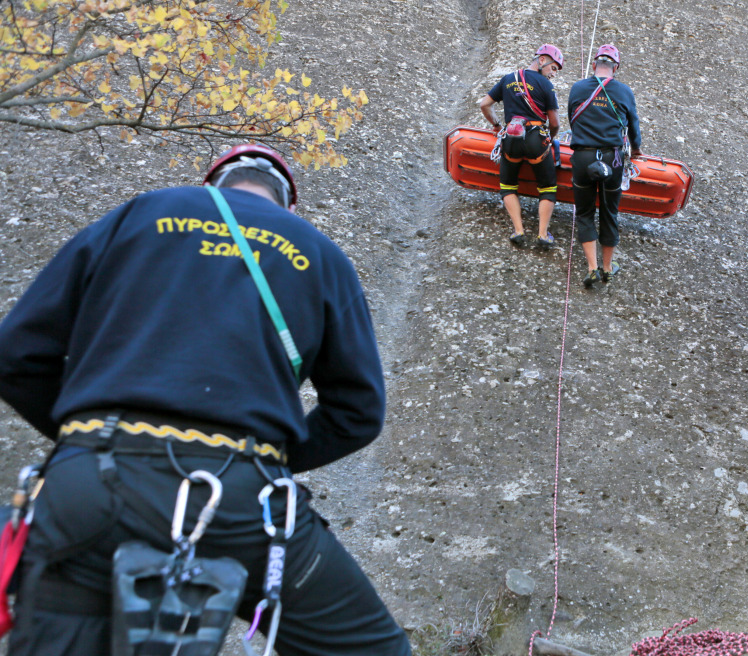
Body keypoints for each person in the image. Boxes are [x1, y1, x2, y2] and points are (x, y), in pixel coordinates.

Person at [0, 144, 412, 656]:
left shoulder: (139, 215)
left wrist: (84, 442)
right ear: (287, 203)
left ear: (212, 182)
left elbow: (14, 354)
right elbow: (359, 413)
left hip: (87, 485)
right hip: (239, 496)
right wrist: (270, 466)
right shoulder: (319, 252)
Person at [567, 44, 642, 288]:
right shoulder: (624, 91)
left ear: (594, 65)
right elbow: (633, 127)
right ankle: (608, 268)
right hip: (613, 158)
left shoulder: (578, 88)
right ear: (616, 67)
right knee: (609, 212)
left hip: (583, 157)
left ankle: (591, 268)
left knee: (585, 212)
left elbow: (572, 118)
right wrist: (637, 149)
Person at [478, 44, 563, 249]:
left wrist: (497, 126)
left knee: (507, 185)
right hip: (535, 139)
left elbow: (484, 104)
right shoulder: (545, 85)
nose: (553, 74)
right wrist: (548, 139)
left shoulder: (508, 79)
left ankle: (518, 230)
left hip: (511, 138)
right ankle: (542, 234)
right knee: (548, 188)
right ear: (542, 60)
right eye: (553, 68)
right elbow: (555, 123)